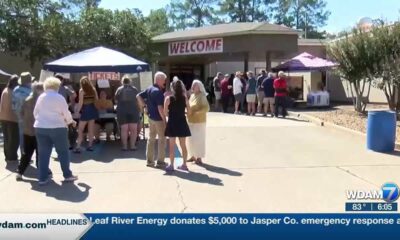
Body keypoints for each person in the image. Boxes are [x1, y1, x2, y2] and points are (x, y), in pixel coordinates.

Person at [34, 77, 77, 185]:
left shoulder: (41, 97)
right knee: (63, 152)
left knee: (43, 153)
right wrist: (70, 122)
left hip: (41, 127)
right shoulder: (59, 97)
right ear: (57, 86)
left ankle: (42, 178)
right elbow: (66, 113)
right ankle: (67, 175)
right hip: (58, 127)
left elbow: (36, 113)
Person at [16, 82, 53, 180]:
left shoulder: (27, 99)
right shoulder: (43, 101)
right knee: (41, 153)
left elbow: (20, 113)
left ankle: (20, 172)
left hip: (27, 130)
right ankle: (43, 172)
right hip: (39, 130)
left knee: (26, 153)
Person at [137, 71, 167, 168]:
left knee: (151, 139)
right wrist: (164, 120)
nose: (165, 82)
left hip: (150, 118)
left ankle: (149, 161)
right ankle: (160, 162)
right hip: (158, 119)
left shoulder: (149, 88)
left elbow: (138, 96)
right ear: (159, 80)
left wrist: (144, 106)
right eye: (164, 80)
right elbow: (160, 108)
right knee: (162, 140)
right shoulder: (158, 92)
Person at [164, 80, 191, 172]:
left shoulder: (168, 98)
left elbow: (165, 113)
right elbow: (189, 112)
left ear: (172, 88)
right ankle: (184, 164)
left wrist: (171, 114)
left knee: (171, 145)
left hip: (172, 122)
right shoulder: (185, 98)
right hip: (182, 122)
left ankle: (171, 165)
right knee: (183, 145)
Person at [187, 80, 210, 165]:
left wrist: (198, 112)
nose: (192, 87)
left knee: (199, 140)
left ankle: (199, 157)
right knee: (191, 139)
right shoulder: (192, 95)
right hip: (191, 120)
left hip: (199, 122)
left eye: (195, 85)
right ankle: (192, 156)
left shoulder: (202, 96)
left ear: (199, 87)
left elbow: (207, 108)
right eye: (192, 85)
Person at [115, 76, 140, 151]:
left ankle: (124, 146)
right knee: (133, 129)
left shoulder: (119, 90)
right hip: (133, 111)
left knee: (124, 129)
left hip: (122, 111)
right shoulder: (134, 89)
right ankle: (132, 146)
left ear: (122, 82)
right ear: (130, 81)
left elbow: (116, 101)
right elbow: (138, 100)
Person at [74, 76, 99, 153]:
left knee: (80, 129)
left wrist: (77, 111)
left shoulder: (82, 91)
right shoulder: (93, 89)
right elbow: (97, 100)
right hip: (93, 109)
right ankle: (90, 146)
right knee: (91, 129)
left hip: (85, 110)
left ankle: (78, 146)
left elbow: (81, 103)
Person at [12, 72, 33, 155]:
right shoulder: (30, 91)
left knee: (21, 135)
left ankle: (23, 153)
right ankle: (27, 154)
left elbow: (13, 105)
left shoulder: (15, 89)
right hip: (29, 116)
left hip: (19, 115)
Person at [0, 75, 20, 162]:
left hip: (3, 117)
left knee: (7, 138)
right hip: (13, 118)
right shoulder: (14, 92)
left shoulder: (5, 90)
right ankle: (12, 156)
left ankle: (7, 155)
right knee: (14, 138)